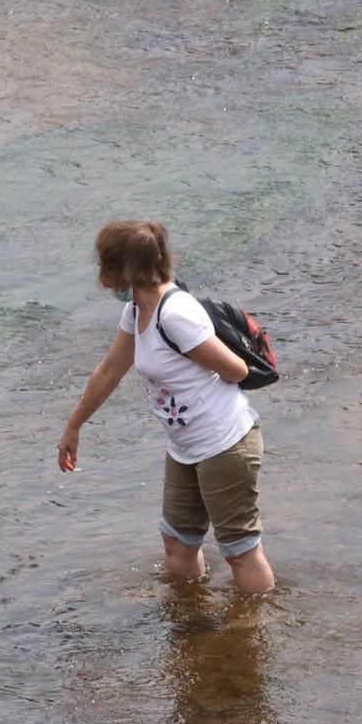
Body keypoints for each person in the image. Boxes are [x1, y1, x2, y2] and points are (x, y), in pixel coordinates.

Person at [57, 219, 275, 595]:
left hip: (225, 443)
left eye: (103, 263)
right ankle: (191, 619)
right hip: (186, 448)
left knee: (238, 549)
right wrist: (74, 425)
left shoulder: (176, 315)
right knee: (178, 540)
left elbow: (237, 370)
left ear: (124, 269)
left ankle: (256, 628)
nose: (99, 272)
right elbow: (109, 371)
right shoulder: (136, 312)